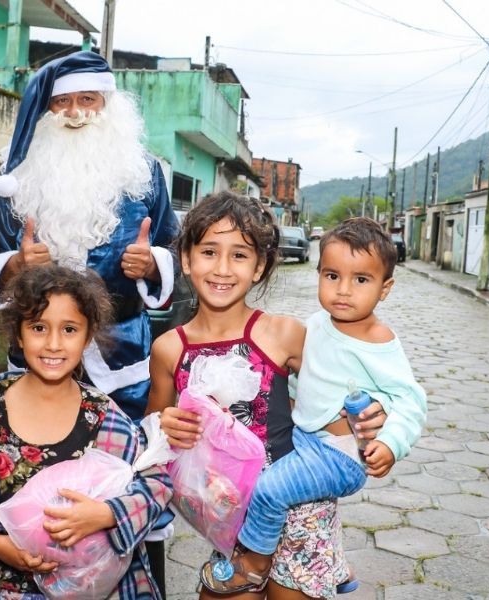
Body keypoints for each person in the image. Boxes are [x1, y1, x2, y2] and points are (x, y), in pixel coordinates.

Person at [147, 193, 388, 600]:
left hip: (300, 508)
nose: (222, 268)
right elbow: (152, 430)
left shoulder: (284, 334)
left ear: (259, 267)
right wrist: (162, 425)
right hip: (229, 516)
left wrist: (371, 419)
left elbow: (336, 392)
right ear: (186, 260)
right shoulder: (170, 348)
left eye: (239, 255)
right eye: (208, 251)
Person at [197, 216, 428, 595]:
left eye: (361, 280)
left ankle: (254, 562)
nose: (344, 290)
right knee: (256, 481)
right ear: (318, 273)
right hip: (307, 439)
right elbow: (308, 376)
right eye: (332, 276)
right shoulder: (318, 324)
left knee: (270, 490)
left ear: (385, 288)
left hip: (339, 455)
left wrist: (391, 443)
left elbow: (411, 399)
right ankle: (335, 566)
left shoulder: (378, 338)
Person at [0, 264, 172, 599]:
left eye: (69, 329)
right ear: (19, 334)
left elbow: (157, 483)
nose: (54, 344)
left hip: (87, 587)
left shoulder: (107, 420)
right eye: (39, 327)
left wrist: (107, 514)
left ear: (88, 336)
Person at [0, 50, 179, 422]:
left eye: (87, 99)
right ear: (46, 110)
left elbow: (176, 248)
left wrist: (152, 265)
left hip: (121, 363)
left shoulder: (144, 173)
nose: (74, 112)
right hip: (37, 355)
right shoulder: (16, 177)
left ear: (108, 105)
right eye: (61, 102)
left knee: (119, 463)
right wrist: (15, 264)